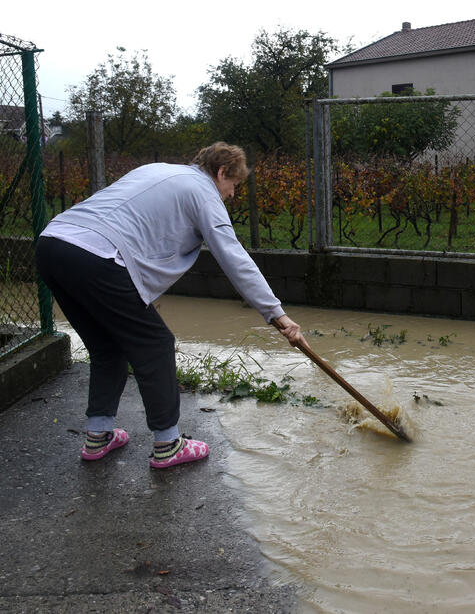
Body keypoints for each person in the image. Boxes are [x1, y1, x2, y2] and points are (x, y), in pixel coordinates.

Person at [35, 142, 306, 468]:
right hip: (98, 256)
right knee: (155, 344)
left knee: (108, 348)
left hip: (53, 245)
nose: (232, 195)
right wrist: (278, 315)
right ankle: (168, 443)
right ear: (221, 172)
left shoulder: (159, 170)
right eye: (233, 185)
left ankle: (98, 435)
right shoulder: (203, 192)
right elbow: (234, 258)